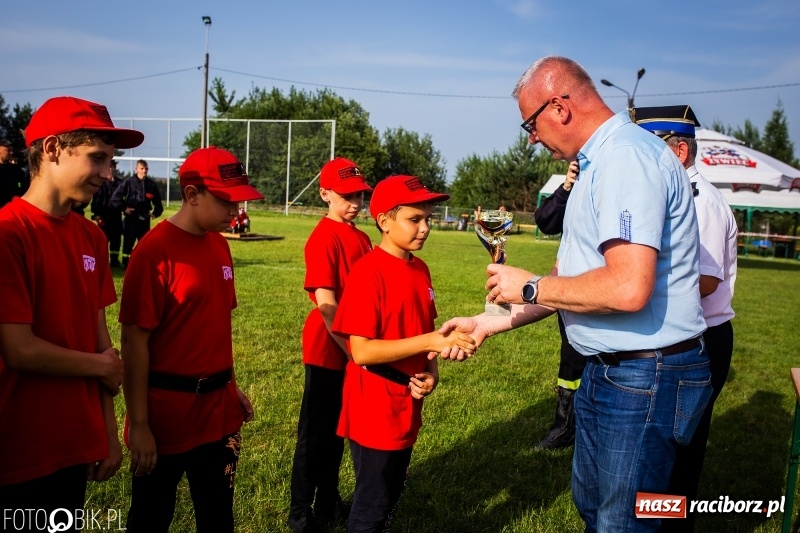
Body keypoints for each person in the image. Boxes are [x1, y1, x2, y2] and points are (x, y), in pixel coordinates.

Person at [438, 56, 711, 532]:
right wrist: (492, 322)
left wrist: (528, 284)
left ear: (559, 107)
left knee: (624, 523)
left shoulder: (626, 158)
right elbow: (572, 278)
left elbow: (627, 288)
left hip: (646, 373)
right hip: (613, 372)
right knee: (595, 509)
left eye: (530, 123)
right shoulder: (596, 163)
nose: (531, 137)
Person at [0, 96, 136, 523]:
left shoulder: (92, 238)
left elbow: (101, 343)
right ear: (54, 149)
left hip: (74, 444)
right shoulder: (9, 233)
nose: (108, 174)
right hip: (18, 448)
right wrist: (98, 366)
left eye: (111, 162)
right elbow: (19, 349)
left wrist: (107, 434)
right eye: (98, 159)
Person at [119, 146, 261, 532]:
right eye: (227, 201)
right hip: (167, 418)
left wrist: (231, 387)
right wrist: (141, 424)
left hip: (219, 415)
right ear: (193, 194)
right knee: (150, 516)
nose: (236, 211)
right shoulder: (153, 253)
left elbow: (214, 330)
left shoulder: (220, 245)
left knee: (218, 516)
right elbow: (134, 344)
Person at [332, 175, 477, 532]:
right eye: (415, 219)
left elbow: (427, 329)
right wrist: (430, 343)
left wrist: (431, 372)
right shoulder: (368, 272)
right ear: (384, 221)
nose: (425, 228)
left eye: (428, 218)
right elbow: (361, 351)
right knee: (372, 503)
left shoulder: (419, 268)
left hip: (406, 401)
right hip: (373, 403)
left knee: (393, 490)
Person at [632, 105, 738, 532]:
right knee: (666, 441)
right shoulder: (677, 195)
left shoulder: (701, 201)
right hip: (682, 333)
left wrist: (635, 294)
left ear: (678, 152)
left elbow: (706, 282)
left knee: (681, 447)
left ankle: (672, 526)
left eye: (651, 149)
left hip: (702, 337)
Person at [288, 157, 374, 533]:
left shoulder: (363, 237)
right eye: (345, 195)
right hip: (330, 349)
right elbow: (327, 307)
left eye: (359, 195)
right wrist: (354, 351)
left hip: (356, 348)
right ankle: (299, 510)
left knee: (340, 431)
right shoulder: (323, 237)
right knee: (316, 433)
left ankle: (327, 500)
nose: (355, 202)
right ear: (324, 194)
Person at [532, 160, 585, 450]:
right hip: (568, 293)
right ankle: (564, 427)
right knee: (570, 362)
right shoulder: (575, 183)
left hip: (596, 292)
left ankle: (587, 430)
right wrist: (566, 186)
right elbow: (545, 221)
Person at [112, 158, 163, 267]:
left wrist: (155, 213)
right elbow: (115, 198)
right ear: (136, 169)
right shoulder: (128, 182)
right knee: (128, 244)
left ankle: (143, 264)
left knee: (144, 244)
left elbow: (158, 203)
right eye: (142, 168)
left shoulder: (151, 184)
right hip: (131, 218)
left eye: (146, 168)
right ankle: (126, 264)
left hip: (144, 220)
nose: (144, 171)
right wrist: (124, 208)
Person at [91, 158, 124, 267]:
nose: (110, 169)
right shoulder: (101, 182)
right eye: (108, 167)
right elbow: (96, 199)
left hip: (116, 216)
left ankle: (114, 261)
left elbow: (124, 199)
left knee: (116, 241)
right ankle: (100, 262)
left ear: (115, 168)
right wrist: (96, 214)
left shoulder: (121, 183)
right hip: (104, 216)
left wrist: (124, 208)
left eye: (112, 167)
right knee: (102, 240)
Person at [0, 137, 27, 208]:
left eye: (11, 150)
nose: (11, 153)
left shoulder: (16, 170)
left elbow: (22, 188)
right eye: (8, 150)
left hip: (15, 210)